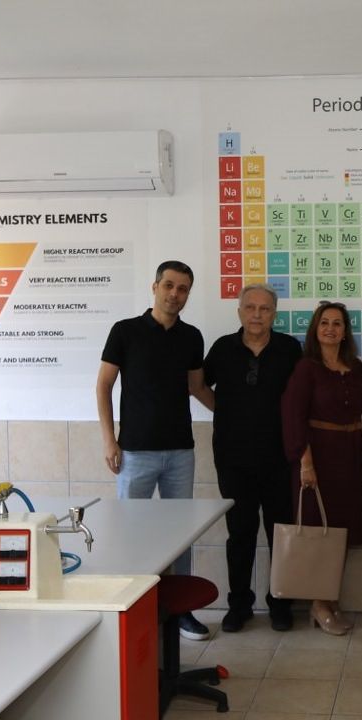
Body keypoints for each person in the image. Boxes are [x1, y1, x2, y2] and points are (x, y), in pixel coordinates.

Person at [97, 260, 216, 641]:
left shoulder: (192, 337)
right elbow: (103, 385)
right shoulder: (125, 331)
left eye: (183, 289)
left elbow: (197, 388)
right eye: (169, 285)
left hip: (180, 451)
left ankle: (181, 613)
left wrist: (236, 417)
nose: (175, 294)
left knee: (181, 534)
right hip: (135, 452)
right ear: (155, 287)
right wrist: (109, 439)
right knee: (131, 533)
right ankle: (134, 612)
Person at [203, 284, 302, 633]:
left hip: (279, 459)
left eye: (264, 309)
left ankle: (281, 605)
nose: (257, 314)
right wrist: (224, 411)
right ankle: (239, 605)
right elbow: (198, 385)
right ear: (240, 312)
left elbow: (300, 399)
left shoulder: (290, 348)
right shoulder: (222, 348)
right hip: (233, 459)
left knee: (281, 534)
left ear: (274, 313)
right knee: (240, 535)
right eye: (250, 307)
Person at [280, 301, 362, 636]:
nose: (331, 329)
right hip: (317, 459)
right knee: (318, 533)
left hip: (351, 458)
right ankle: (317, 605)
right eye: (324, 323)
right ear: (315, 330)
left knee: (341, 533)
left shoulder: (356, 368)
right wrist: (305, 463)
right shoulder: (307, 368)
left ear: (345, 331)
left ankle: (330, 598)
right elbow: (293, 416)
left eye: (337, 323)